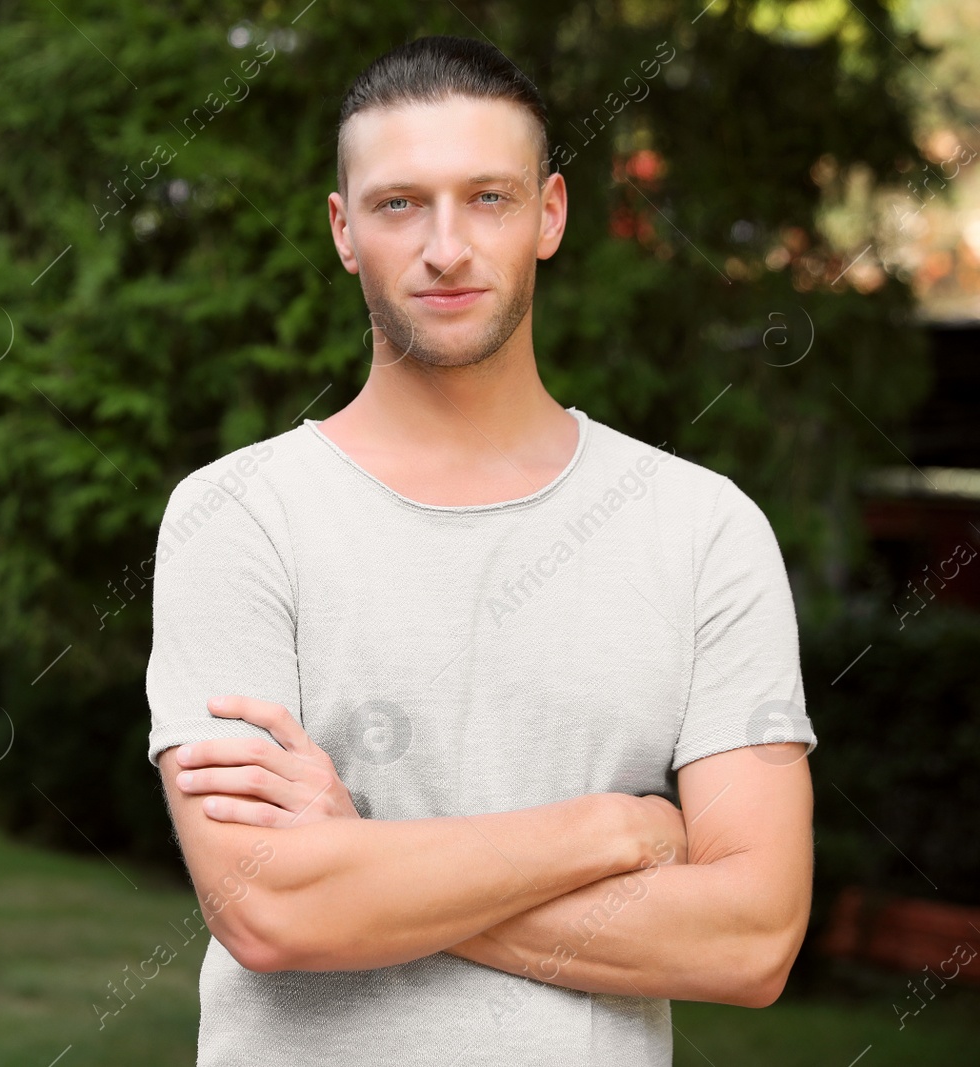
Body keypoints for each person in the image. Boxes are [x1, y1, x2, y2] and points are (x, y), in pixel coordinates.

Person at [145, 34, 816, 1067]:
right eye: (399, 202)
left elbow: (753, 938)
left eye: (487, 199)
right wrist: (613, 828)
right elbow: (269, 910)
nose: (444, 246)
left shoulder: (702, 529)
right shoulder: (235, 515)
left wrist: (361, 866)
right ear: (343, 230)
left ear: (549, 213)